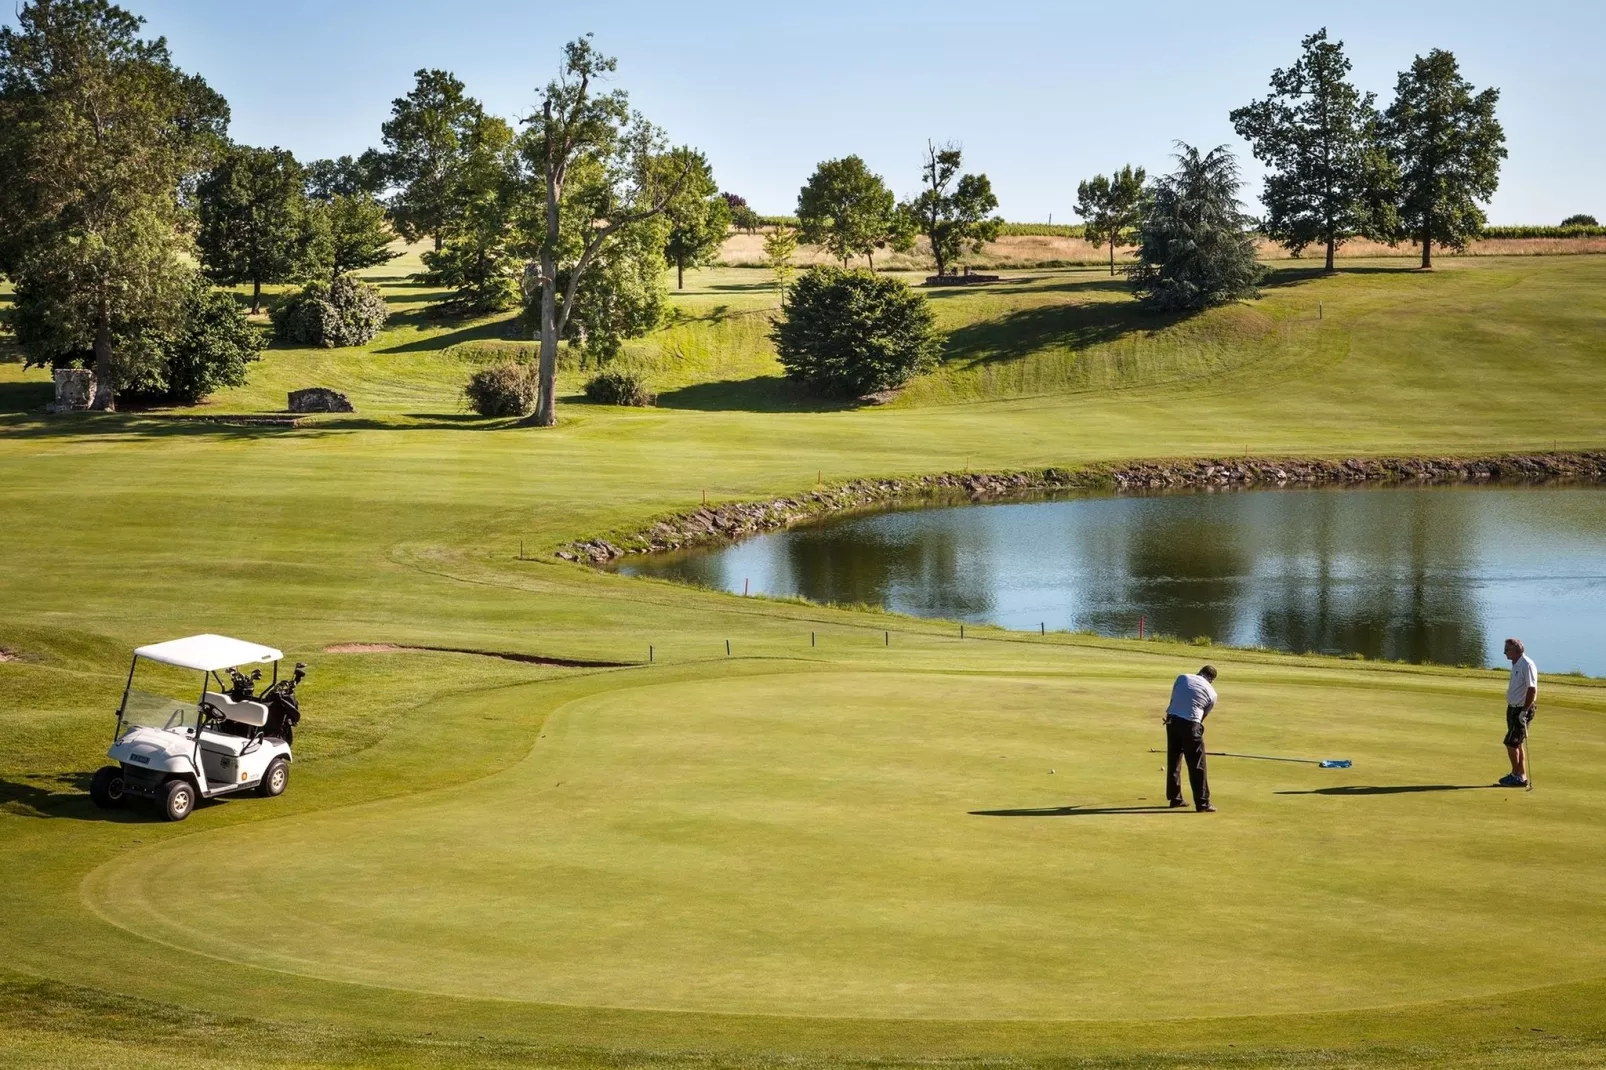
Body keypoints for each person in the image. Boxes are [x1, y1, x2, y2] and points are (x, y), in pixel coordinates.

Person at [1164, 665, 1218, 812]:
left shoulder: (1183, 677)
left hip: (1172, 721)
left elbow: (1174, 698)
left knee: (1174, 760)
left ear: (1200, 672)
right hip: (1191, 725)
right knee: (1197, 765)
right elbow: (1202, 717)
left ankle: (1175, 798)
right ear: (1211, 679)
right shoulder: (1212, 693)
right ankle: (1202, 803)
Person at [1499, 638, 1538, 788]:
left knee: (1510, 743)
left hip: (1522, 709)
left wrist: (1524, 711)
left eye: (1507, 649)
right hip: (1513, 708)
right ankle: (1520, 775)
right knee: (1516, 743)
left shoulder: (1526, 664)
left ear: (1516, 650)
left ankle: (1517, 776)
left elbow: (1532, 689)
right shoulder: (1516, 664)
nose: (1504, 652)